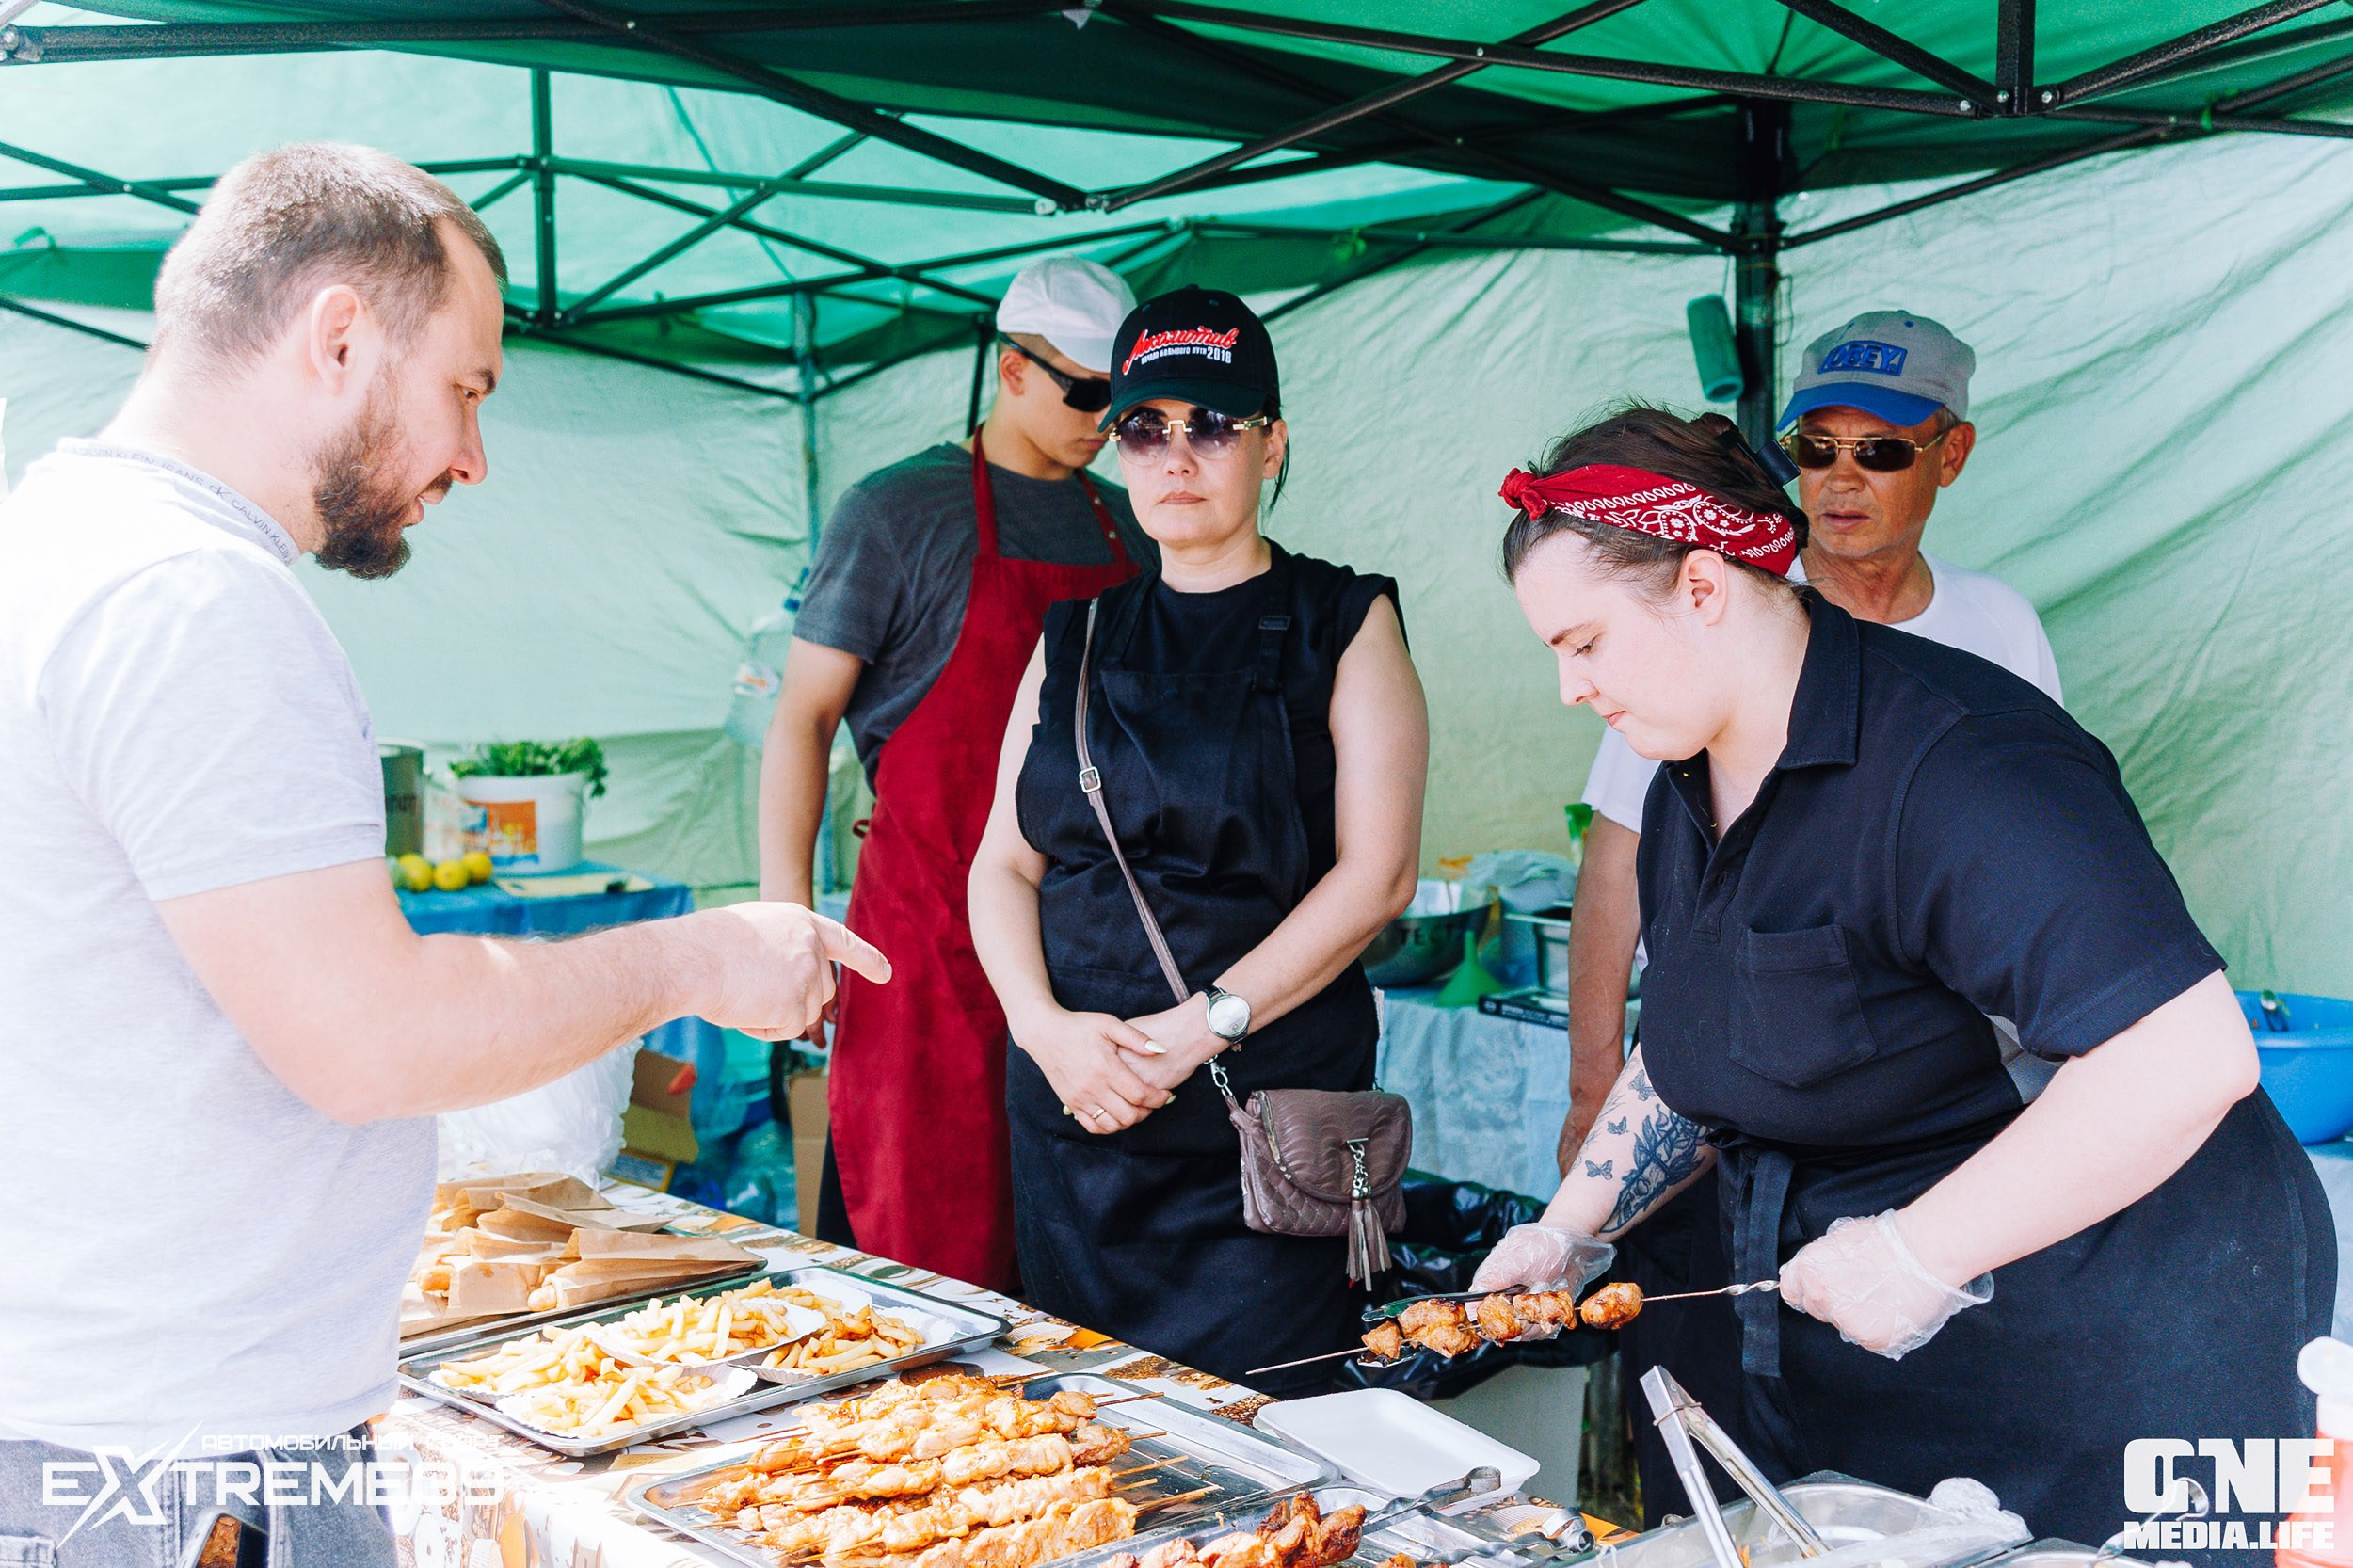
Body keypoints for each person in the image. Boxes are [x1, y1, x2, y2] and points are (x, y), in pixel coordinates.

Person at [0, 144, 885, 1566]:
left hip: (128, 1425)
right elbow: (369, 1038)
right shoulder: (189, 598)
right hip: (174, 1464)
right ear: (341, 336)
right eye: (467, 387)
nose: (473, 455)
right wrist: (700, 953)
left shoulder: (57, 533)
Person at [1476, 404, 2330, 1556]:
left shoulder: (1959, 758)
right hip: (1873, 1352)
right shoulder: (1687, 778)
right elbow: (1699, 1041)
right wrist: (1571, 1230)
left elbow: (2185, 1054)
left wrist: (1922, 1249)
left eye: (1583, 643)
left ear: (1702, 586)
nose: (1571, 688)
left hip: (2114, 1326)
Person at [1561, 313, 2062, 1521]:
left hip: (1927, 1129)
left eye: (1878, 452)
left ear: (1949, 456)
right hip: (1720, 1111)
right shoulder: (1710, 631)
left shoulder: (1990, 640)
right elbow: (1615, 870)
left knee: (1905, 1483)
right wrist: (1593, 1102)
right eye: (1814, 449)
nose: (1840, 480)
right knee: (1717, 1444)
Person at [968, 287, 1427, 1391]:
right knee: (1094, 1449)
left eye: (1212, 424)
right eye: (1145, 427)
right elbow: (1000, 862)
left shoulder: (1344, 621)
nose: (1178, 455)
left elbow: (1379, 877)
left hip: (1264, 1142)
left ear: (1272, 444)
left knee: (1278, 1469)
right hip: (1079, 1125)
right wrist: (1040, 1029)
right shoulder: (1072, 636)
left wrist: (1199, 1027)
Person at [760, 256, 1151, 1292]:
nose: (1106, 421)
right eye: (1083, 391)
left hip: (1090, 957)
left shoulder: (1135, 524)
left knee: (1082, 1266)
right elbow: (800, 720)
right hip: (926, 956)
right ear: (1010, 370)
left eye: (1122, 399)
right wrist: (783, 921)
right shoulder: (895, 513)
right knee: (925, 1268)